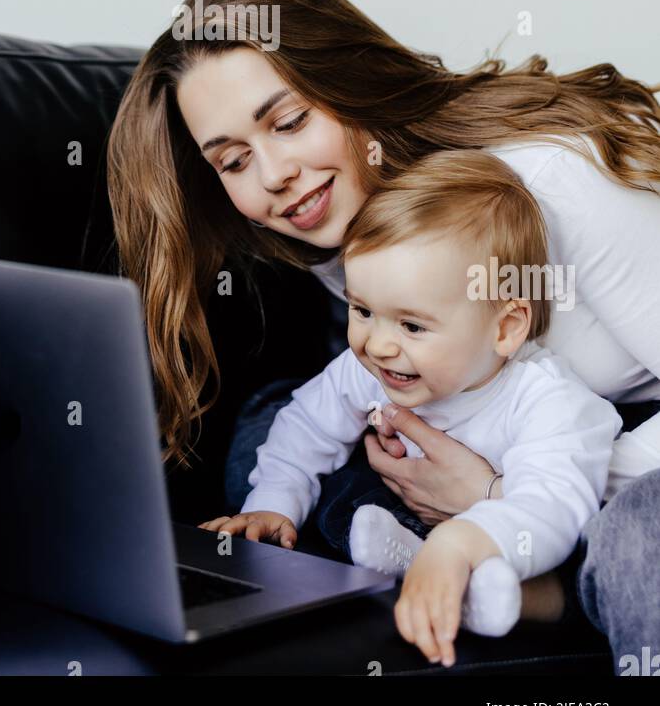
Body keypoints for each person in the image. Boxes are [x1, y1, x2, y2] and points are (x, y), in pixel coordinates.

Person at [106, 0, 660, 671]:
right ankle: (487, 563)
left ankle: (534, 580)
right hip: (501, 426)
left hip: (623, 444)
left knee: (636, 535)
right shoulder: (335, 230)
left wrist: (496, 491)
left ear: (348, 85)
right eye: (234, 160)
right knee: (266, 433)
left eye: (288, 122)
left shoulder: (555, 183)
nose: (273, 174)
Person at [198, 150, 622, 668]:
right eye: (362, 311)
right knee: (331, 490)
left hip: (514, 534)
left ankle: (494, 587)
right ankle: (439, 573)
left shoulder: (550, 401)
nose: (377, 345)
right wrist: (273, 504)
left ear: (506, 327)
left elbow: (553, 505)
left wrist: (462, 541)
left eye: (412, 326)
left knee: (583, 553)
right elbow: (306, 426)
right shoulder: (372, 366)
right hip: (401, 515)